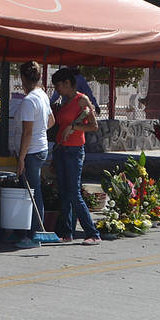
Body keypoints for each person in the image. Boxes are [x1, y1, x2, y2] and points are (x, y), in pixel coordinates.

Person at [52, 67, 103, 246]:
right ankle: (67, 232)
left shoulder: (82, 100)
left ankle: (93, 233)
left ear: (67, 83)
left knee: (74, 193)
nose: (57, 90)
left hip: (74, 150)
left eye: (58, 86)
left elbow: (93, 126)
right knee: (64, 192)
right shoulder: (65, 101)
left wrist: (73, 127)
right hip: (61, 149)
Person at [15, 60, 54, 249]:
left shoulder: (29, 101)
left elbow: (27, 132)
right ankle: (34, 231)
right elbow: (51, 121)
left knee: (32, 191)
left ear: (23, 78)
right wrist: (41, 131)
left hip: (31, 151)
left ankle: (34, 234)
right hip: (42, 148)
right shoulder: (43, 96)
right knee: (34, 190)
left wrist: (21, 158)